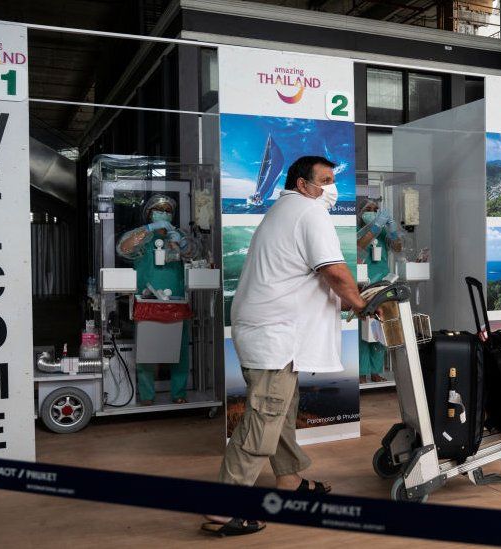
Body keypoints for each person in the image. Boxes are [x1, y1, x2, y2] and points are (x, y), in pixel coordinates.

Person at [203, 156, 369, 537]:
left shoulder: (285, 209)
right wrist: (362, 305)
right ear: (301, 184)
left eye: (333, 180)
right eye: (324, 181)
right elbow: (334, 270)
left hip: (264, 329)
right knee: (265, 415)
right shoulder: (309, 213)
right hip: (272, 334)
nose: (332, 188)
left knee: (279, 410)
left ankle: (290, 481)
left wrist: (353, 300)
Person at [116, 194, 199, 405]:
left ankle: (179, 393)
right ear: (150, 213)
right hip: (147, 298)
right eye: (159, 210)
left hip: (177, 299)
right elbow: (123, 248)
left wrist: (178, 241)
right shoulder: (142, 235)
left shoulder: (179, 234)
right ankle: (146, 396)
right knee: (147, 351)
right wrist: (151, 230)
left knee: (179, 351)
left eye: (167, 211)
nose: (164, 214)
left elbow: (193, 253)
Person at [356, 198, 403, 384]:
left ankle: (376, 371)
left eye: (376, 209)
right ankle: (360, 372)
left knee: (379, 327)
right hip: (363, 283)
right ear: (360, 213)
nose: (373, 212)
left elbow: (398, 248)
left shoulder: (383, 229)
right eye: (369, 209)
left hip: (382, 283)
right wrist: (375, 226)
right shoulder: (358, 230)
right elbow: (361, 245)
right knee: (363, 329)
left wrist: (391, 228)